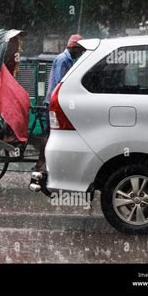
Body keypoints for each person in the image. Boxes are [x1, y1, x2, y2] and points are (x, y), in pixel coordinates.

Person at [31, 34, 85, 187]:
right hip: (55, 102)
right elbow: (60, 83)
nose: (80, 54)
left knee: (54, 133)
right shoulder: (63, 60)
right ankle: (41, 163)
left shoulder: (67, 59)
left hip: (57, 101)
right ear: (74, 47)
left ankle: (48, 163)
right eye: (79, 50)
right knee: (49, 133)